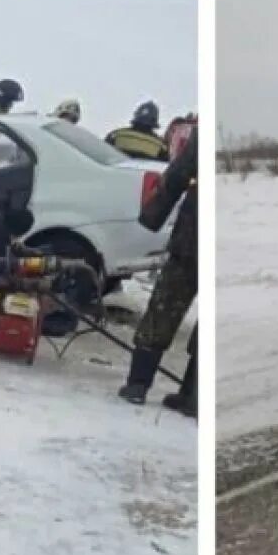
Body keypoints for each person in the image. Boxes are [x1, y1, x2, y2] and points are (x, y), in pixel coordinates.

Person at [118, 128, 198, 417]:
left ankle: (138, 385)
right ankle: (193, 396)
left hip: (190, 241)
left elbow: (175, 177)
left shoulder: (202, 137)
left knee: (163, 309)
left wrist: (150, 218)